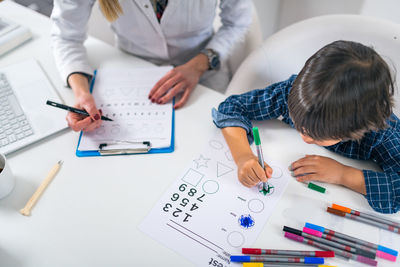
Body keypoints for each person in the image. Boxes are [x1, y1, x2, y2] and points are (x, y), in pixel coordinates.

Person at [212, 40, 400, 214]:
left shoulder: (383, 133)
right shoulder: (295, 94)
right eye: (299, 125)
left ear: (357, 129)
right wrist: (243, 156)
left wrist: (342, 174)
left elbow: (397, 190)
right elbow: (232, 108)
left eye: (315, 135)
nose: (304, 138)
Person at [50, 0, 252, 132]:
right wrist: (81, 93)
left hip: (204, 73)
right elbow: (66, 37)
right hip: (133, 73)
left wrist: (199, 64)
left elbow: (237, 24)